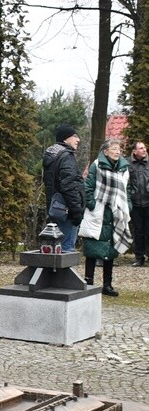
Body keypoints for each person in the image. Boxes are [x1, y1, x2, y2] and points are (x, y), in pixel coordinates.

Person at [81, 138, 132, 297]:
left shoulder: (124, 168)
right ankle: (88, 282)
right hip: (99, 210)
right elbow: (88, 187)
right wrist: (92, 204)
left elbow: (127, 190)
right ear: (105, 151)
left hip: (115, 211)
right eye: (114, 148)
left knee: (110, 248)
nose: (118, 151)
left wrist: (127, 206)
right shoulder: (97, 165)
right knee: (92, 246)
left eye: (119, 149)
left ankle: (107, 285)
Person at [42, 124, 84, 252]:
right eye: (75, 136)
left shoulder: (53, 155)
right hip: (67, 211)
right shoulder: (66, 156)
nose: (78, 140)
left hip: (56, 209)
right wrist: (76, 211)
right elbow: (69, 186)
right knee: (66, 251)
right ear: (65, 139)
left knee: (56, 250)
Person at [127, 140, 149, 266]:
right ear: (134, 151)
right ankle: (139, 257)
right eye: (141, 148)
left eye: (144, 147)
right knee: (138, 231)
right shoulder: (128, 163)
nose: (144, 150)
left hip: (148, 202)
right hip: (135, 204)